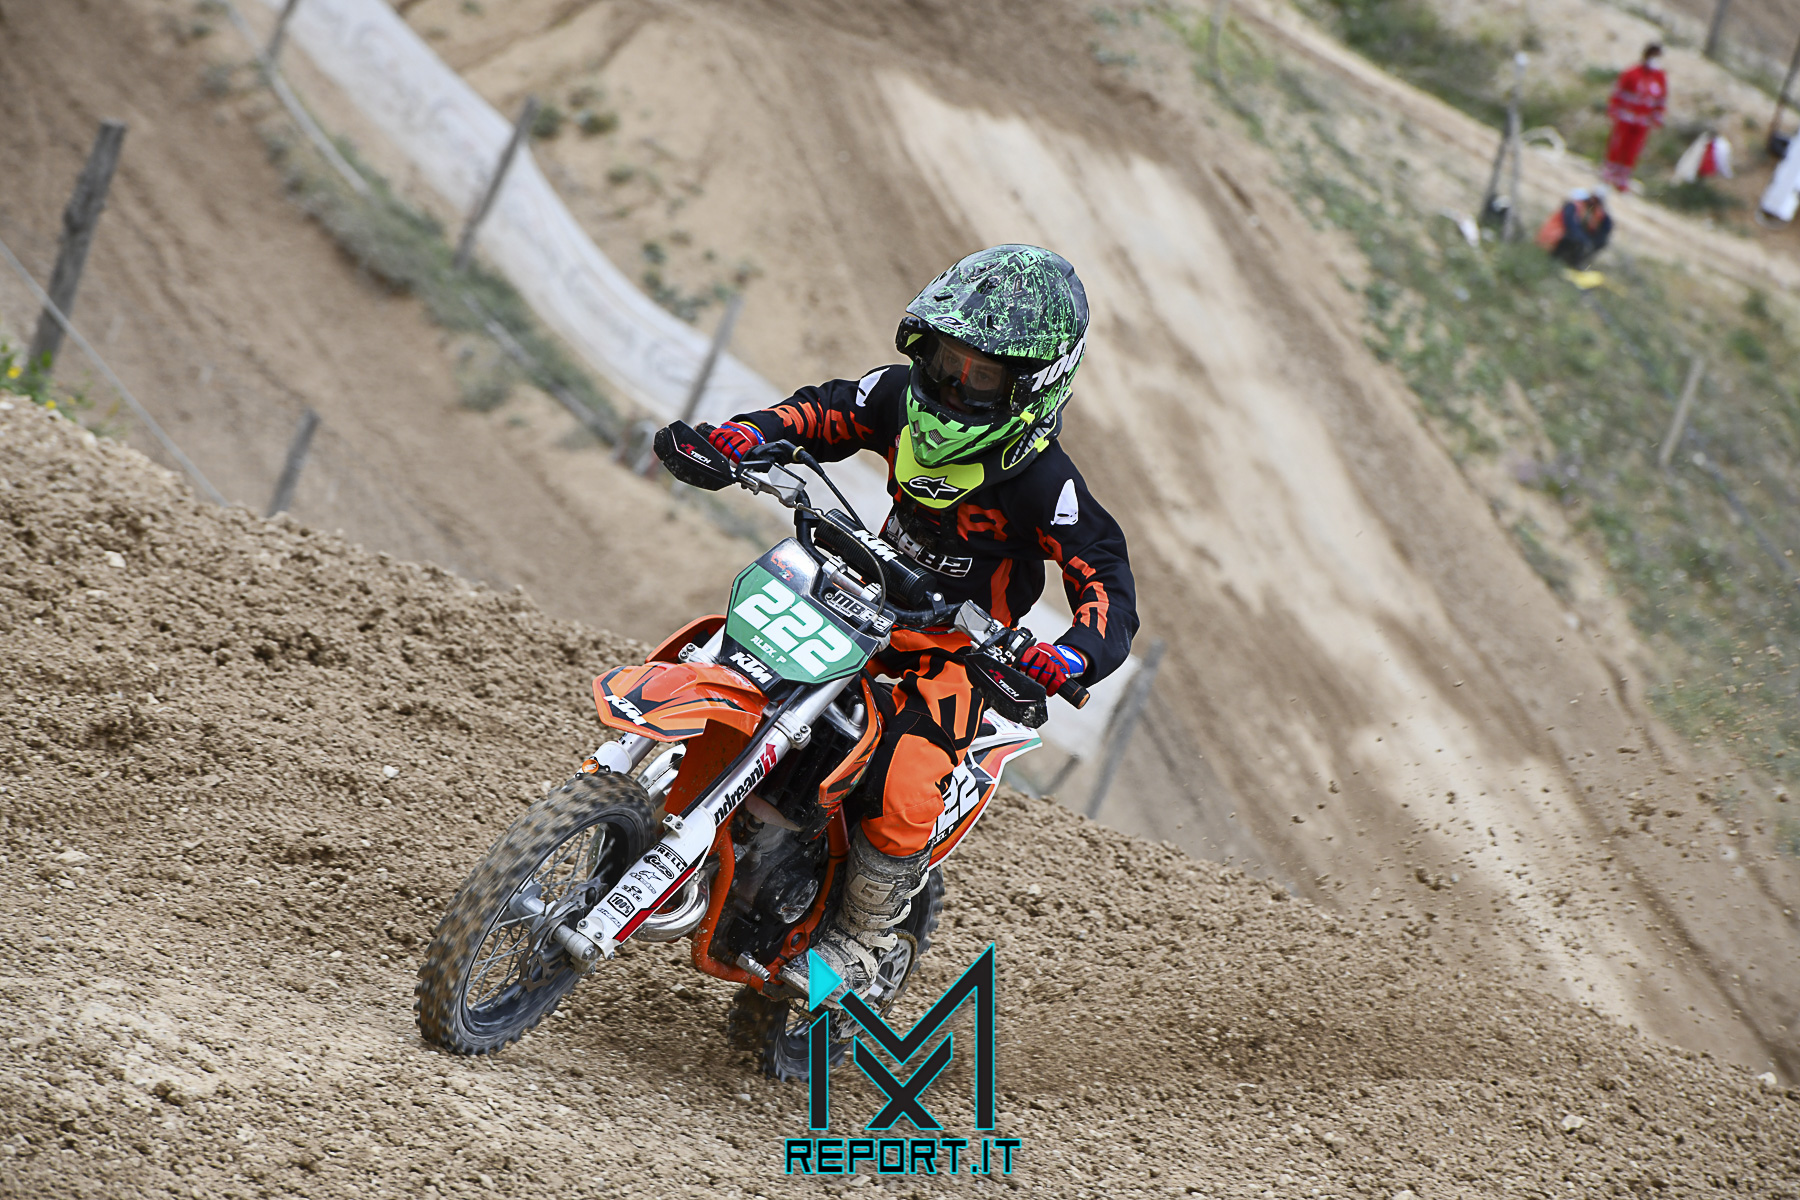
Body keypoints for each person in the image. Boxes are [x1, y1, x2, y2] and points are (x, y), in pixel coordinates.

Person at [686, 245, 1137, 1002]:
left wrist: (1069, 657)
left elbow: (1107, 586)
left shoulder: (1046, 483)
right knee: (739, 652)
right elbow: (821, 413)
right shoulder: (896, 395)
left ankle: (862, 941)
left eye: (982, 376)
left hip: (964, 653)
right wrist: (741, 438)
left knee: (905, 775)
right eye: (948, 361)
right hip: (866, 602)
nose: (955, 384)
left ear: (1032, 386)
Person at [1602, 43, 1668, 192]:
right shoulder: (1632, 72)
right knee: (1618, 144)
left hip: (1643, 120)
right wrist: (1614, 109)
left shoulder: (1660, 77)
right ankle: (1610, 171)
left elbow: (1661, 99)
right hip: (1626, 116)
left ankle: (1623, 177)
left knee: (1633, 149)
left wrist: (1657, 116)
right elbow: (1618, 92)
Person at [1536, 189, 1613, 269]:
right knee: (1575, 240)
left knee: (1581, 241)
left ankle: (1566, 263)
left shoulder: (1579, 211)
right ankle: (1564, 263)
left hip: (1552, 237)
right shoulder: (1572, 207)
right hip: (1553, 238)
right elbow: (1572, 226)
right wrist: (1585, 240)